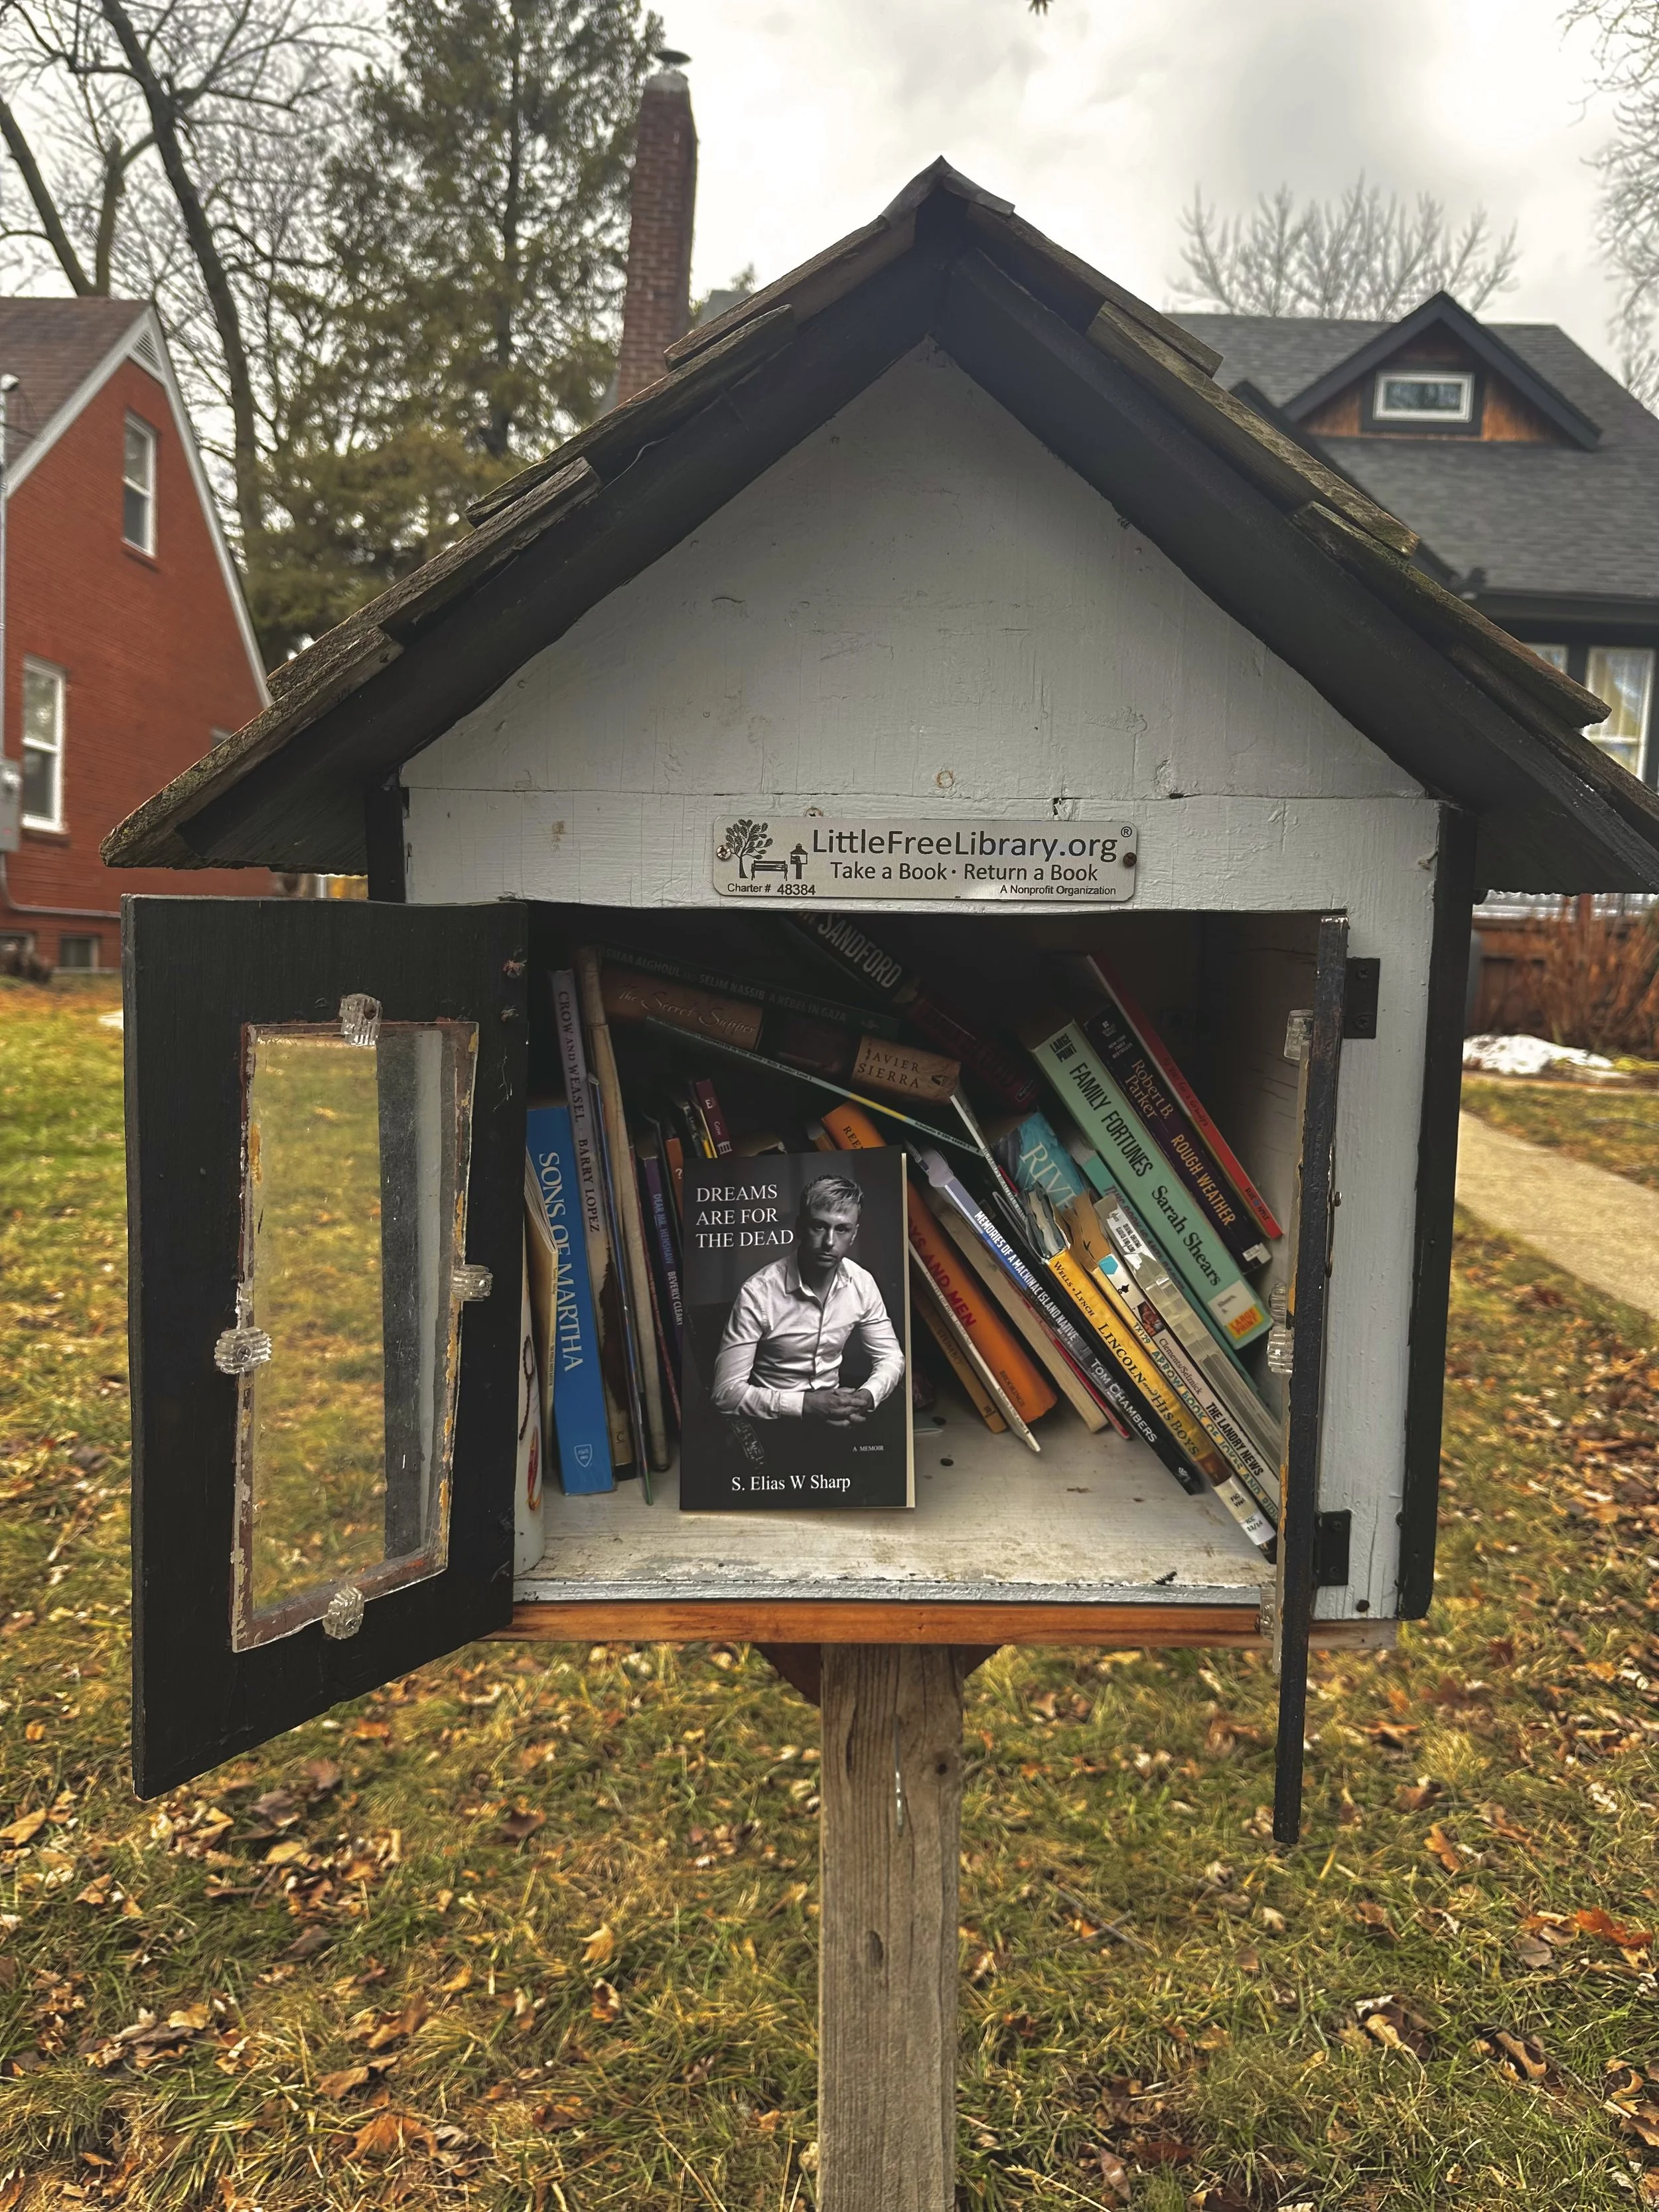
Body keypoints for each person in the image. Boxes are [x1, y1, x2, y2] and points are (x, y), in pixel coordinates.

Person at [709, 1173, 904, 1424]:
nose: (829, 1242)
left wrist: (867, 1396)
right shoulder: (758, 1292)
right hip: (772, 1422)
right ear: (800, 1227)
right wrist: (807, 1405)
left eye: (842, 1229)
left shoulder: (862, 1282)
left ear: (854, 1235)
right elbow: (725, 1394)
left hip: (836, 1412)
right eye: (819, 1226)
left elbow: (891, 1357)